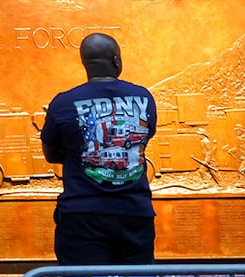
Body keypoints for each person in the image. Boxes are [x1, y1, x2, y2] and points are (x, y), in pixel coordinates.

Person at [39, 33, 159, 264]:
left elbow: (51, 154)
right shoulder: (144, 98)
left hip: (81, 214)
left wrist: (84, 155)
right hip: (134, 212)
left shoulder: (63, 103)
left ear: (84, 63)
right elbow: (143, 140)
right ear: (116, 61)